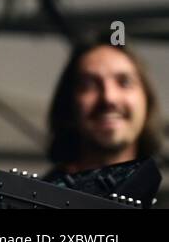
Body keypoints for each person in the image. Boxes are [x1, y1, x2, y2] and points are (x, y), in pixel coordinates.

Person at [43, 39, 162, 180]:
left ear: (147, 99)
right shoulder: (32, 198)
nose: (109, 97)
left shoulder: (162, 200)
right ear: (68, 103)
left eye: (124, 82)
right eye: (89, 85)